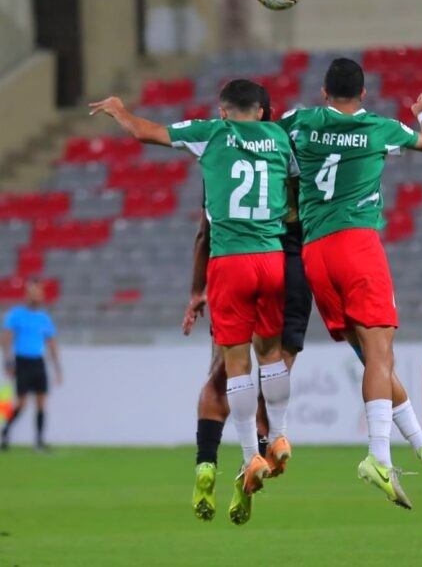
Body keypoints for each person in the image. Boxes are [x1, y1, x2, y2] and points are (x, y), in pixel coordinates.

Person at [89, 80, 298, 504]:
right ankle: (277, 436)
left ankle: (250, 456)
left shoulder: (211, 132)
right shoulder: (280, 138)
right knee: (271, 354)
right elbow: (295, 192)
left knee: (235, 365)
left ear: (223, 111)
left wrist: (119, 110)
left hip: (231, 261)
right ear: (261, 111)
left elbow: (146, 132)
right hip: (272, 258)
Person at [276, 57, 422, 510]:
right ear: (363, 94)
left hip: (315, 252)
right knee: (381, 354)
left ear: (324, 92)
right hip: (357, 245)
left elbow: (267, 139)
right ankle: (378, 458)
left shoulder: (298, 121)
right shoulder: (378, 128)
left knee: (373, 358)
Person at [183, 88, 312, 525]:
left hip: (238, 262)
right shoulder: (295, 151)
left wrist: (196, 291)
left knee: (223, 373)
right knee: (271, 374)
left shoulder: (223, 157)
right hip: (292, 269)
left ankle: (207, 463)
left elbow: (205, 233)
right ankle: (254, 465)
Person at [1, 277, 62, 451]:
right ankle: (5, 431)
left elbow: (51, 343)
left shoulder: (44, 318)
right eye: (32, 293)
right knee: (22, 403)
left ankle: (39, 440)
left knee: (42, 402)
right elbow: (6, 338)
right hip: (22, 361)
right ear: (26, 295)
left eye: (38, 293)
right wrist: (8, 361)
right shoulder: (16, 315)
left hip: (38, 361)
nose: (35, 296)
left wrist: (57, 368)